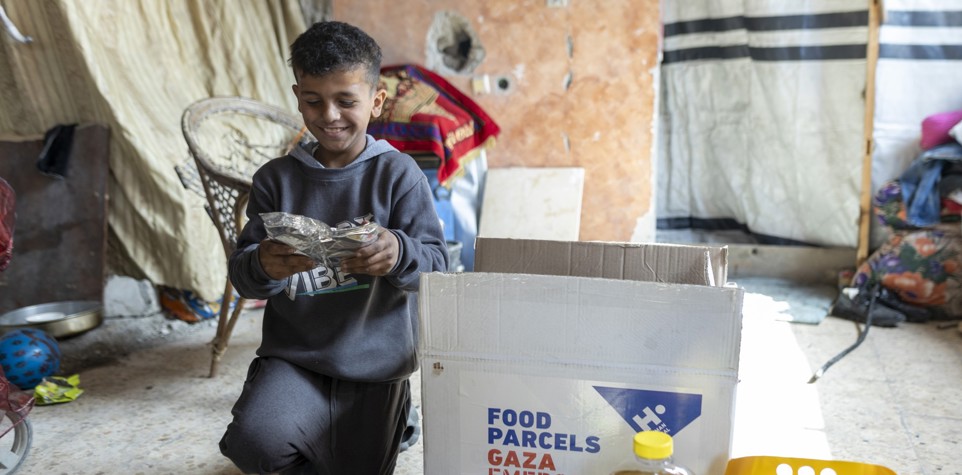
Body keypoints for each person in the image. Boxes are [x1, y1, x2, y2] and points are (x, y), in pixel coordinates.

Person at [219, 20, 448, 474]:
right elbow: (242, 276)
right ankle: (301, 415)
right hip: (295, 361)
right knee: (252, 445)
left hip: (376, 366)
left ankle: (400, 417)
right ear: (297, 95)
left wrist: (399, 253)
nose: (329, 115)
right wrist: (263, 262)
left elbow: (438, 266)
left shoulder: (398, 175)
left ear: (375, 101)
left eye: (346, 100)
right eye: (313, 100)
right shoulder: (275, 180)